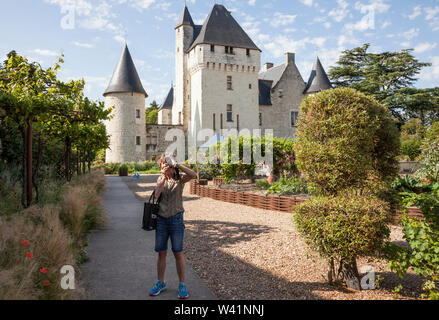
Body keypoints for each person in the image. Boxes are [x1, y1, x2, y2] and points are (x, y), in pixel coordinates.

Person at [148, 154, 197, 299]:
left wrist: (178, 165)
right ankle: (160, 282)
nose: (164, 166)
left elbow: (193, 175)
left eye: (166, 164)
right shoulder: (160, 179)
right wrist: (162, 178)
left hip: (176, 220)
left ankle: (182, 284)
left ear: (171, 166)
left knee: (178, 252)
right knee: (161, 253)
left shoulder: (179, 179)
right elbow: (156, 195)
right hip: (161, 221)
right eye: (162, 164)